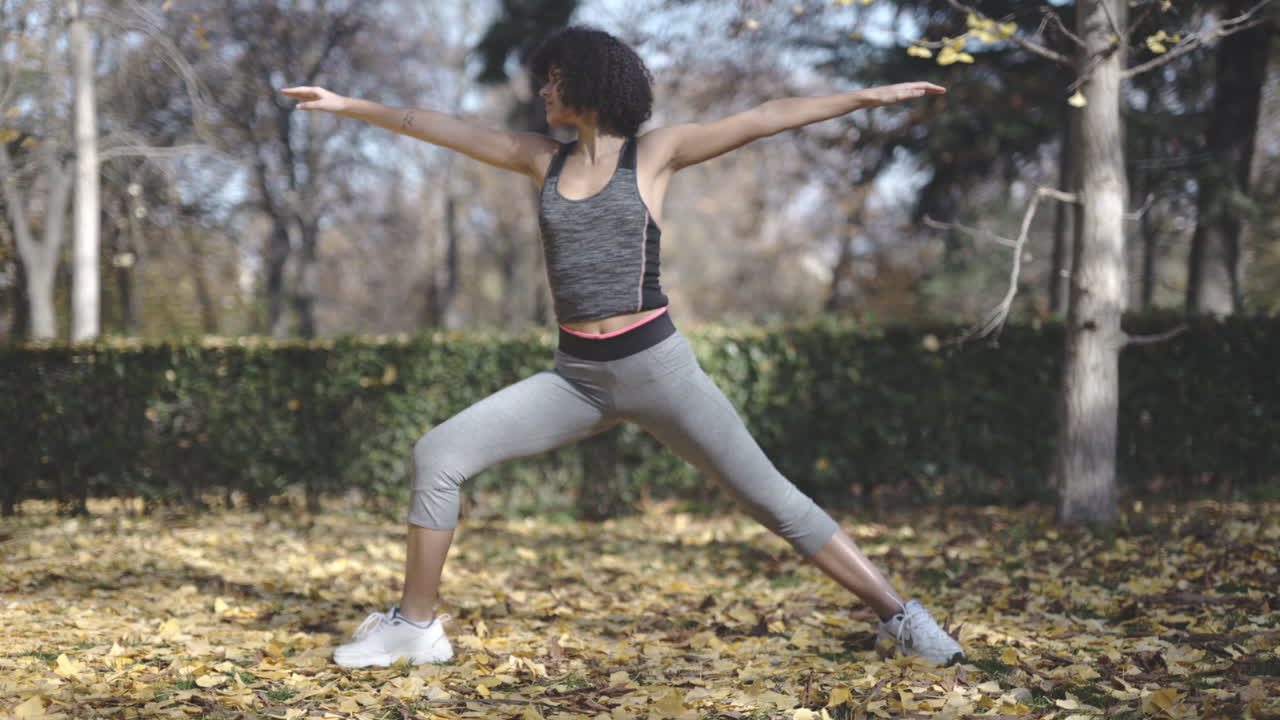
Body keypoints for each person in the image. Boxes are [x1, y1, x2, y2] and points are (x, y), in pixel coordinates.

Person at [281, 25, 962, 670]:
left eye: (554, 80)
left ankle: (901, 617)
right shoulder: (539, 159)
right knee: (438, 454)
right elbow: (441, 127)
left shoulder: (656, 154)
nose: (544, 93)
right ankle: (416, 626)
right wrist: (346, 105)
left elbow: (766, 115)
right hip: (575, 378)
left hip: (657, 368)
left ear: (590, 84)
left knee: (769, 499)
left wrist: (867, 97)